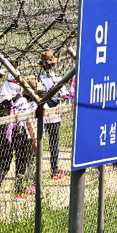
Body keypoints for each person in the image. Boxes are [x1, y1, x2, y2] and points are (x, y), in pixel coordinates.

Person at [0, 77, 38, 202]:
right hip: (19, 133)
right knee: (21, 163)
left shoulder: (0, 99)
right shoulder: (21, 100)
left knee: (4, 162)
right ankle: (19, 192)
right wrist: (34, 139)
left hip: (4, 134)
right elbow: (28, 121)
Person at [37, 50, 68, 180]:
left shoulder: (39, 78)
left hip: (43, 113)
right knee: (54, 142)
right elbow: (64, 94)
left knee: (40, 141)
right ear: (53, 65)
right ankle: (54, 169)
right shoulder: (57, 78)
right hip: (54, 113)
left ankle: (36, 170)